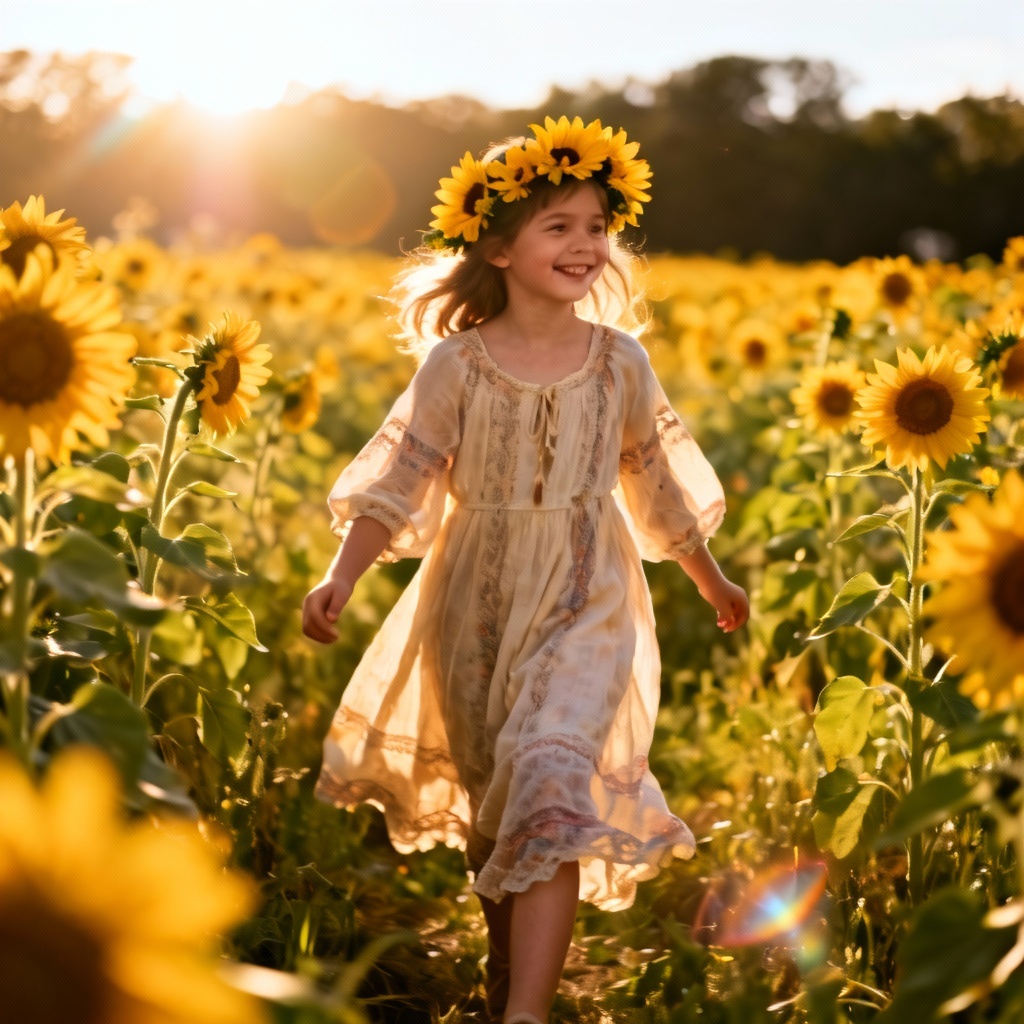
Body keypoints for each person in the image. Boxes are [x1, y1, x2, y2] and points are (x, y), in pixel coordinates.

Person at [302, 115, 749, 1024]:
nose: (586, 246)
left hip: (591, 598)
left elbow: (653, 482)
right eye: (560, 227)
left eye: (597, 227)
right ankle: (507, 982)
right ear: (498, 247)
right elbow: (400, 479)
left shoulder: (620, 364)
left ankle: (526, 1015)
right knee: (496, 810)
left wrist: (709, 576)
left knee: (551, 780)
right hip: (473, 604)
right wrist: (341, 575)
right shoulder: (455, 366)